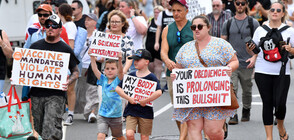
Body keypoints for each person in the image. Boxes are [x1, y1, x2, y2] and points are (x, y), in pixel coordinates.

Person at [172, 15, 239, 140]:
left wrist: (229, 68)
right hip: (193, 97)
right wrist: (175, 74)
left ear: (208, 27)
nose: (196, 29)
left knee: (212, 131)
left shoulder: (221, 44)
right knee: (193, 128)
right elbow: (178, 67)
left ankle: (221, 130)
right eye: (193, 27)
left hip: (215, 95)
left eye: (200, 26)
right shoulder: (185, 48)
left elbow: (234, 61)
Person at [27, 14, 79, 140]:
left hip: (56, 95)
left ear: (60, 29)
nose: (50, 28)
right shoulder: (35, 47)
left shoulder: (65, 48)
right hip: (36, 94)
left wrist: (68, 81)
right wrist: (18, 77)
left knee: (51, 130)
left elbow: (75, 71)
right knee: (40, 128)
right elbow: (26, 67)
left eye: (54, 25)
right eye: (48, 25)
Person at [250, 2, 293, 140]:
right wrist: (250, 49)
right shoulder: (260, 30)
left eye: (278, 10)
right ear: (269, 12)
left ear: (282, 13)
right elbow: (254, 49)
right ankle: (269, 137)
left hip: (282, 72)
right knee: (267, 103)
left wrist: (290, 49)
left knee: (280, 104)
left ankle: (280, 126)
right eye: (272, 9)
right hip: (263, 71)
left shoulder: (289, 30)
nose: (275, 12)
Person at [221, 0, 260, 125]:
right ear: (234, 4)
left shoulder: (252, 22)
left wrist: (254, 57)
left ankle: (246, 110)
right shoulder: (228, 23)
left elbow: (258, 42)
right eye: (237, 3)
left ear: (247, 4)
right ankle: (233, 114)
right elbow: (223, 42)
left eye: (243, 3)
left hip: (247, 62)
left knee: (247, 89)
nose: (240, 5)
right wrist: (227, 55)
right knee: (232, 89)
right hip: (232, 63)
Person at [160, 0, 193, 139]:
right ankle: (184, 135)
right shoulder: (168, 29)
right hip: (173, 74)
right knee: (179, 108)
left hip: (191, 73)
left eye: (179, 10)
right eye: (173, 10)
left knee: (190, 108)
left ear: (186, 10)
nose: (176, 13)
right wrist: (167, 60)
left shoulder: (194, 26)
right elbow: (163, 51)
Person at [115, 49, 162, 140]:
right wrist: (129, 98)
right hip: (131, 110)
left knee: (144, 137)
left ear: (146, 62)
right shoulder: (131, 75)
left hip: (146, 111)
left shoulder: (151, 77)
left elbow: (159, 92)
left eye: (138, 60)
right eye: (134, 60)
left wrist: (146, 100)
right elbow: (118, 88)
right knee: (129, 134)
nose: (135, 62)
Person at [89, 49, 125, 140]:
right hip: (103, 115)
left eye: (113, 69)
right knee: (101, 136)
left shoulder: (118, 80)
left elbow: (121, 72)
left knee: (119, 137)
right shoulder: (103, 79)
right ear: (104, 70)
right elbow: (94, 69)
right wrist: (92, 57)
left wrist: (120, 60)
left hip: (116, 115)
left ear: (117, 70)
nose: (110, 71)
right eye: (107, 69)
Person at [76, 13, 101, 123]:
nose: (86, 21)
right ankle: (86, 112)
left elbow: (102, 54)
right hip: (81, 66)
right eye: (86, 19)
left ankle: (92, 112)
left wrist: (97, 57)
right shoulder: (80, 34)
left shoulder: (99, 35)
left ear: (95, 22)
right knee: (81, 90)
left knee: (92, 90)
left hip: (93, 65)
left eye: (89, 20)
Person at [58, 3, 78, 126]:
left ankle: (70, 114)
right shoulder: (65, 25)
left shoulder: (69, 26)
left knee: (70, 89)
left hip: (68, 61)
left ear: (62, 13)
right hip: (61, 61)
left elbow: (70, 45)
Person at [119, 0, 148, 72]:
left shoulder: (139, 18)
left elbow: (143, 31)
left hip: (134, 54)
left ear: (130, 8)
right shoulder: (117, 20)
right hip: (120, 54)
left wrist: (132, 16)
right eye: (119, 6)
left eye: (122, 6)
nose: (120, 9)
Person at [145, 5, 164, 80]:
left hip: (159, 45)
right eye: (155, 12)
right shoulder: (151, 20)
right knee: (150, 64)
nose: (156, 14)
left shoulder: (163, 22)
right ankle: (152, 79)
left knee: (158, 63)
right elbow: (145, 32)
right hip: (149, 45)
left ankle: (157, 80)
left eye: (158, 12)